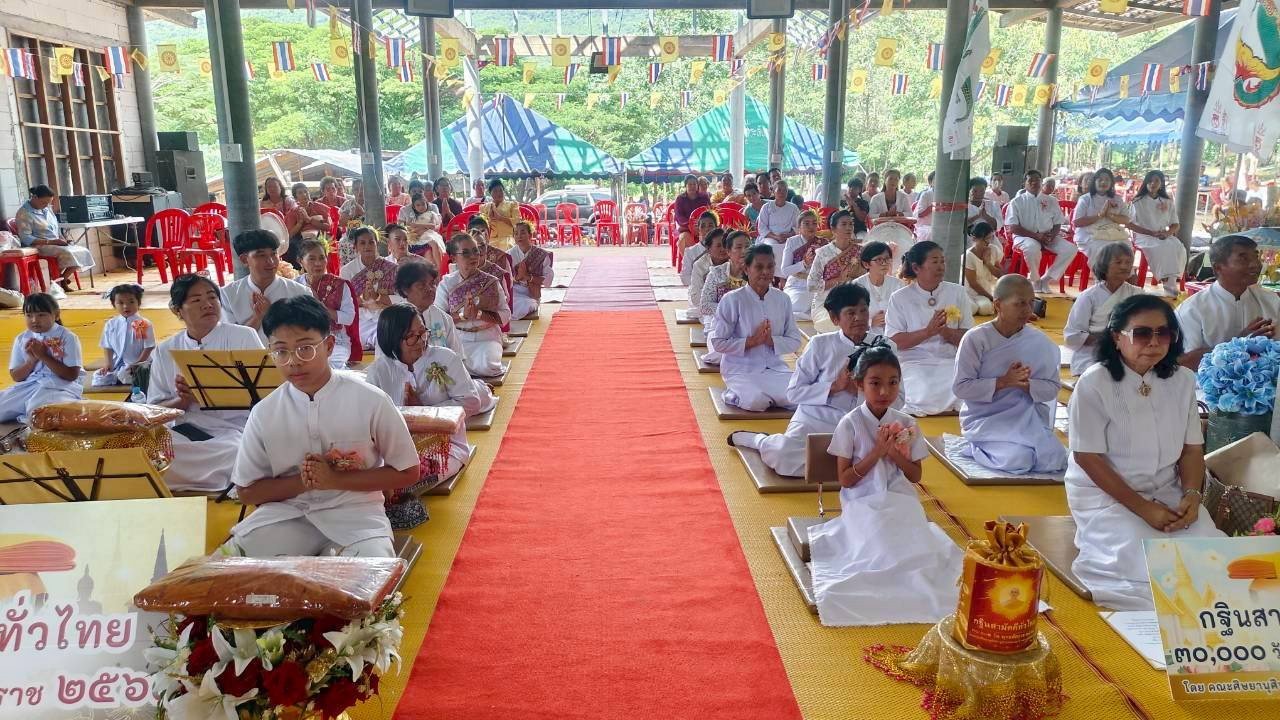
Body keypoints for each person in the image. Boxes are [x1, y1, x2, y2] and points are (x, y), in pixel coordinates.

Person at [226, 295, 419, 558]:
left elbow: (408, 471)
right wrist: (307, 482)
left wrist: (335, 479)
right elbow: (247, 491)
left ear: (328, 345)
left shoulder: (371, 400)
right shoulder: (264, 412)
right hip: (286, 516)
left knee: (368, 581)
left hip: (357, 517)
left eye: (305, 348)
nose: (293, 361)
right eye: (281, 351)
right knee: (235, 573)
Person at [1067, 295, 1224, 610]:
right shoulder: (1094, 382)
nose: (1153, 342)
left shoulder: (1182, 380)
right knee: (1146, 563)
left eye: (1163, 333)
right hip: (1107, 497)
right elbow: (1087, 457)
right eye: (1141, 333)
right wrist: (1142, 508)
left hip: (1169, 491)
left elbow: (1192, 449)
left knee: (1211, 556)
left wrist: (1193, 496)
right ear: (1116, 337)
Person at [808, 345, 964, 626]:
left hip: (901, 499)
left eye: (892, 383)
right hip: (862, 500)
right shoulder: (850, 423)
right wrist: (877, 453)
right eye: (875, 383)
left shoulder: (907, 423)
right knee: (880, 546)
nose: (884, 392)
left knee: (919, 552)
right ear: (859, 384)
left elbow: (915, 476)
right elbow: (844, 479)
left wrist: (893, 454)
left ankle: (916, 588)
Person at [728, 284, 888, 477]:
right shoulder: (820, 344)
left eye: (863, 311)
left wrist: (864, 393)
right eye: (851, 313)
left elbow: (901, 398)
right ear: (835, 318)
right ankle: (760, 441)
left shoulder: (885, 346)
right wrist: (834, 387)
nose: (859, 318)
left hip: (864, 421)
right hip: (817, 417)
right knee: (783, 456)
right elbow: (794, 392)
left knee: (884, 465)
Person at [148, 275, 264, 493]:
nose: (208, 304)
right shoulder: (165, 350)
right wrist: (181, 400)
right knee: (150, 450)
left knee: (238, 452)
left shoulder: (243, 336)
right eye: (196, 300)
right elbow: (154, 410)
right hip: (185, 431)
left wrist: (214, 392)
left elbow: (265, 394)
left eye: (212, 297)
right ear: (177, 310)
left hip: (233, 429)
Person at [953, 275, 1067, 474]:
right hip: (985, 418)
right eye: (1020, 304)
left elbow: (1052, 387)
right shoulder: (976, 339)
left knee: (1055, 459)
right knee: (1018, 460)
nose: (1027, 310)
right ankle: (976, 447)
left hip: (1025, 416)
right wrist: (1003, 382)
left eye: (1031, 303)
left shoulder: (1040, 342)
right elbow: (961, 387)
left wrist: (1028, 385)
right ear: (998, 304)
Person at [366, 304, 479, 483]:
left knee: (415, 476)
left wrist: (423, 411)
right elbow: (370, 420)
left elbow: (471, 402)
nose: (421, 341)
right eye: (411, 336)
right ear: (393, 339)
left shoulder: (446, 358)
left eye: (423, 332)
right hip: (395, 448)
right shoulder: (379, 371)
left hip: (445, 446)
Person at [393, 260, 498, 412]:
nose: (430, 289)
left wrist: (466, 383)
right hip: (405, 385)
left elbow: (458, 358)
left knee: (476, 397)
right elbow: (385, 363)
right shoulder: (392, 319)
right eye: (422, 285)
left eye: (432, 284)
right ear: (405, 289)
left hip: (443, 387)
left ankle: (427, 410)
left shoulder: (443, 318)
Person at [708, 244, 803, 411]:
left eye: (770, 266)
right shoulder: (732, 300)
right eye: (759, 267)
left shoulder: (783, 299)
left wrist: (771, 341)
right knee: (756, 400)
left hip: (775, 369)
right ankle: (733, 393)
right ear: (746, 269)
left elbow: (795, 340)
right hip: (740, 369)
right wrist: (752, 341)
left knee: (800, 398)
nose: (765, 272)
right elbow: (718, 342)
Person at [885, 241, 974, 416]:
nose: (941, 266)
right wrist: (928, 331)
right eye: (935, 261)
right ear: (917, 268)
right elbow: (895, 342)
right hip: (915, 361)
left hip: (950, 359)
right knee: (922, 389)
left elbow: (969, 337)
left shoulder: (957, 292)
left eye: (942, 261)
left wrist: (945, 332)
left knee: (964, 385)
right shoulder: (900, 298)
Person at [1175, 233, 1279, 368]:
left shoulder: (1270, 300)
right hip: (1207, 386)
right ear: (1218, 267)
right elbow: (1184, 362)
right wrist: (1240, 343)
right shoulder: (1192, 309)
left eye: (1256, 257)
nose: (1256, 265)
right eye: (1243, 259)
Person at [435, 233, 510, 378]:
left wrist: (479, 314)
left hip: (488, 339)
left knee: (487, 365)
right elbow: (439, 319)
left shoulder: (491, 282)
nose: (473, 256)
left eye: (476, 251)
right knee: (447, 365)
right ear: (453, 257)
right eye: (466, 253)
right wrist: (463, 316)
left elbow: (506, 315)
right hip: (459, 339)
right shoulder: (446, 284)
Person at [0, 293, 82, 423]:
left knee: (40, 412)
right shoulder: (22, 338)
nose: (34, 320)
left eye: (41, 315)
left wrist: (43, 356)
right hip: (29, 386)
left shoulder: (67, 337)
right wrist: (31, 361)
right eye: (29, 315)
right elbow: (16, 377)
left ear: (56, 315)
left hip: (59, 387)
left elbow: (71, 375)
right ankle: (25, 410)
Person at [221, 229, 314, 343]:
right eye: (261, 255)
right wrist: (257, 318)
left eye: (274, 254)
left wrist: (273, 316)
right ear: (245, 260)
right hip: (245, 360)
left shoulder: (300, 293)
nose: (270, 261)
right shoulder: (228, 295)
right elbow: (229, 341)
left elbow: (308, 335)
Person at [1063, 243, 1139, 377]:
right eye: (1118, 262)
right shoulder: (1088, 296)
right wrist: (1109, 341)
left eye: (1128, 262)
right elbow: (1073, 334)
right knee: (1099, 374)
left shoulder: (1138, 294)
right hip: (1094, 350)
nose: (1124, 266)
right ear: (1104, 266)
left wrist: (1127, 343)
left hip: (1130, 349)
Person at [1006, 170, 1077, 295]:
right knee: (1032, 248)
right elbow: (1013, 228)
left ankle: (1046, 279)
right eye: (1030, 180)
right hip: (1024, 236)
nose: (1034, 183)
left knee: (1070, 249)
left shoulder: (1051, 200)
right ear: (1025, 184)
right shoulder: (1016, 202)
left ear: (1041, 182)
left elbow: (1057, 222)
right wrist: (1036, 236)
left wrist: (1051, 236)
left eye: (1037, 180)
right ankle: (1035, 280)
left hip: (1047, 235)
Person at [14, 185, 94, 290]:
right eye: (43, 203)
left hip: (54, 242)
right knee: (68, 253)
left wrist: (63, 239)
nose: (46, 205)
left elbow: (55, 229)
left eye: (49, 203)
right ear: (35, 197)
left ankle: (61, 279)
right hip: (38, 245)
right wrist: (51, 241)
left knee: (83, 251)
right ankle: (59, 281)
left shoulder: (47, 209)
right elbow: (26, 238)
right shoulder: (24, 213)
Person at [297, 239, 355, 368]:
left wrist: (320, 308)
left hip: (334, 339)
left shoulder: (339, 284)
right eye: (311, 259)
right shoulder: (295, 284)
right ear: (301, 261)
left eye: (322, 258)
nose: (318, 263)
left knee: (329, 365)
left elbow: (349, 318)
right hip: (302, 339)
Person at [340, 226, 398, 351]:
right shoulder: (347, 271)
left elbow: (401, 298)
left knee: (390, 337)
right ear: (355, 247)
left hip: (385, 315)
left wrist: (377, 297)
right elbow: (344, 301)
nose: (367, 246)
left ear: (377, 244)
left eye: (371, 242)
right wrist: (364, 299)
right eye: (362, 243)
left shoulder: (391, 268)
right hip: (361, 319)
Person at [1128, 170, 1183, 297]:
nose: (1153, 183)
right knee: (1164, 247)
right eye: (1150, 180)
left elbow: (1175, 224)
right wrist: (1150, 233)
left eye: (1157, 181)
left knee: (1179, 247)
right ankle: (1169, 284)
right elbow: (1129, 224)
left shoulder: (1167, 201)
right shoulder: (1137, 201)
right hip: (1143, 236)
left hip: (1162, 235)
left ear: (1161, 184)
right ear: (1146, 182)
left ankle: (1171, 279)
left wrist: (1167, 234)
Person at [808, 210, 863, 333]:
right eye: (844, 224)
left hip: (853, 299)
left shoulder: (860, 251)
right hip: (826, 302)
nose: (849, 227)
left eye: (851, 224)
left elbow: (866, 279)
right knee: (834, 322)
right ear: (833, 229)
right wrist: (839, 280)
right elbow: (811, 285)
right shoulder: (823, 253)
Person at [93, 283, 154, 387]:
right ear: (114, 304)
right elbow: (107, 347)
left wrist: (137, 365)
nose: (126, 306)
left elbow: (148, 347)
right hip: (118, 363)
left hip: (140, 362)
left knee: (128, 376)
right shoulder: (111, 324)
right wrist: (109, 365)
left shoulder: (143, 323)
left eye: (131, 302)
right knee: (99, 377)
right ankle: (117, 375)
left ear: (138, 303)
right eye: (120, 303)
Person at [698, 229, 743, 365]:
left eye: (748, 246)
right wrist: (729, 311)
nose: (744, 251)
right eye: (739, 247)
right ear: (728, 251)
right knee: (721, 354)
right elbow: (704, 306)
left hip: (747, 326)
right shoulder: (716, 273)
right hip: (718, 325)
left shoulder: (756, 272)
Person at [1072, 168, 1132, 261]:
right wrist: (1099, 215)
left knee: (1126, 247)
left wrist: (1110, 215)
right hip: (1089, 235)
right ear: (1094, 182)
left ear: (1111, 183)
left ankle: (1123, 274)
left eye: (1107, 180)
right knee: (1104, 249)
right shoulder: (1085, 199)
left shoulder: (1117, 199)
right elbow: (1077, 222)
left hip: (1113, 234)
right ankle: (1103, 275)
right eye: (1100, 179)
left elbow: (1126, 220)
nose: (1103, 182)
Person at [853, 241, 904, 335]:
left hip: (895, 336)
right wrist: (870, 322)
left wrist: (891, 318)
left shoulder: (898, 285)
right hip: (864, 338)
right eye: (879, 260)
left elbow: (906, 312)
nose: (884, 263)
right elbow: (850, 316)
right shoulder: (856, 286)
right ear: (866, 264)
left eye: (887, 259)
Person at [780, 210, 824, 319]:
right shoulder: (792, 242)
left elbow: (829, 270)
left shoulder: (823, 243)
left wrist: (821, 257)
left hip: (817, 284)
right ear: (799, 227)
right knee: (800, 305)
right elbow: (784, 271)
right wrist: (804, 263)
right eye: (807, 223)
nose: (811, 226)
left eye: (814, 223)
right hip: (797, 285)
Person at [683, 226, 729, 322]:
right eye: (718, 246)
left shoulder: (734, 263)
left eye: (725, 245)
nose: (723, 249)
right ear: (708, 248)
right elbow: (696, 297)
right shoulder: (700, 265)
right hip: (708, 305)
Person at [509, 220, 552, 320]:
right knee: (503, 302)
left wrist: (528, 277)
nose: (519, 236)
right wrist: (517, 277)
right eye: (516, 233)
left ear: (530, 235)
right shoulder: (509, 254)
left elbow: (548, 281)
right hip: (514, 292)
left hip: (531, 294)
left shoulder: (541, 255)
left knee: (526, 305)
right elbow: (504, 278)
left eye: (523, 232)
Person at [962, 222, 1004, 316]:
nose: (988, 242)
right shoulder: (968, 256)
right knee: (972, 309)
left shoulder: (993, 250)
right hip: (968, 292)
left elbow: (1000, 275)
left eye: (990, 238)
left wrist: (988, 264)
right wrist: (991, 298)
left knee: (986, 309)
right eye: (985, 239)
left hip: (984, 292)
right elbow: (973, 284)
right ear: (974, 238)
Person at [284, 183, 330, 266]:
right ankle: (300, 269)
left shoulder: (320, 207)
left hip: (320, 236)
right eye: (300, 193)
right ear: (295, 197)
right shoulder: (293, 212)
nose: (304, 194)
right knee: (293, 245)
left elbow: (328, 227)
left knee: (325, 242)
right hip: (300, 239)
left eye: (306, 191)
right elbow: (289, 235)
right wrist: (300, 223)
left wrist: (309, 219)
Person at [399, 191, 444, 265]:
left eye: (423, 204)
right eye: (418, 205)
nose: (421, 207)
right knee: (428, 248)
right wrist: (420, 228)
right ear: (414, 206)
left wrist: (420, 226)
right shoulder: (412, 215)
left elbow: (433, 226)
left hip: (428, 235)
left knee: (433, 245)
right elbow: (405, 226)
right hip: (415, 238)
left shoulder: (431, 213)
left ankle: (439, 268)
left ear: (426, 203)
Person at [757, 180, 802, 250]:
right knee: (772, 246)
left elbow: (797, 226)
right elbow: (762, 228)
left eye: (785, 190)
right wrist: (776, 237)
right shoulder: (766, 207)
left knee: (792, 246)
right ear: (774, 192)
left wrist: (789, 235)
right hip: (770, 237)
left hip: (789, 237)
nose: (782, 193)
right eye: (779, 190)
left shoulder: (793, 208)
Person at [674, 174, 712, 256]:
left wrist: (700, 226)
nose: (692, 186)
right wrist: (691, 226)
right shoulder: (680, 199)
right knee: (684, 238)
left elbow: (710, 212)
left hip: (704, 226)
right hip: (686, 228)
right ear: (685, 186)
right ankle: (690, 262)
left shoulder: (704, 197)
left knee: (713, 237)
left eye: (694, 184)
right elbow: (679, 216)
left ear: (697, 185)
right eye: (690, 184)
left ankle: (708, 262)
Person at [480, 179, 520, 251]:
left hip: (507, 238)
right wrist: (489, 219)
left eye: (501, 190)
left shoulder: (512, 205)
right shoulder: (484, 207)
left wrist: (500, 218)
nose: (499, 193)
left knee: (508, 248)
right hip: (490, 239)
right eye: (495, 191)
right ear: (490, 193)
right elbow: (480, 226)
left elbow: (517, 222)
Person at [680, 211, 719, 286]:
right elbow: (685, 278)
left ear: (716, 228)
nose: (707, 229)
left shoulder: (723, 250)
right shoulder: (690, 252)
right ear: (698, 229)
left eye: (710, 225)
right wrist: (702, 282)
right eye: (703, 226)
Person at [913, 172, 936, 242]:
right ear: (930, 182)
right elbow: (919, 214)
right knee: (932, 233)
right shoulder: (926, 194)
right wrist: (934, 206)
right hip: (924, 227)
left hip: (941, 226)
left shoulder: (948, 196)